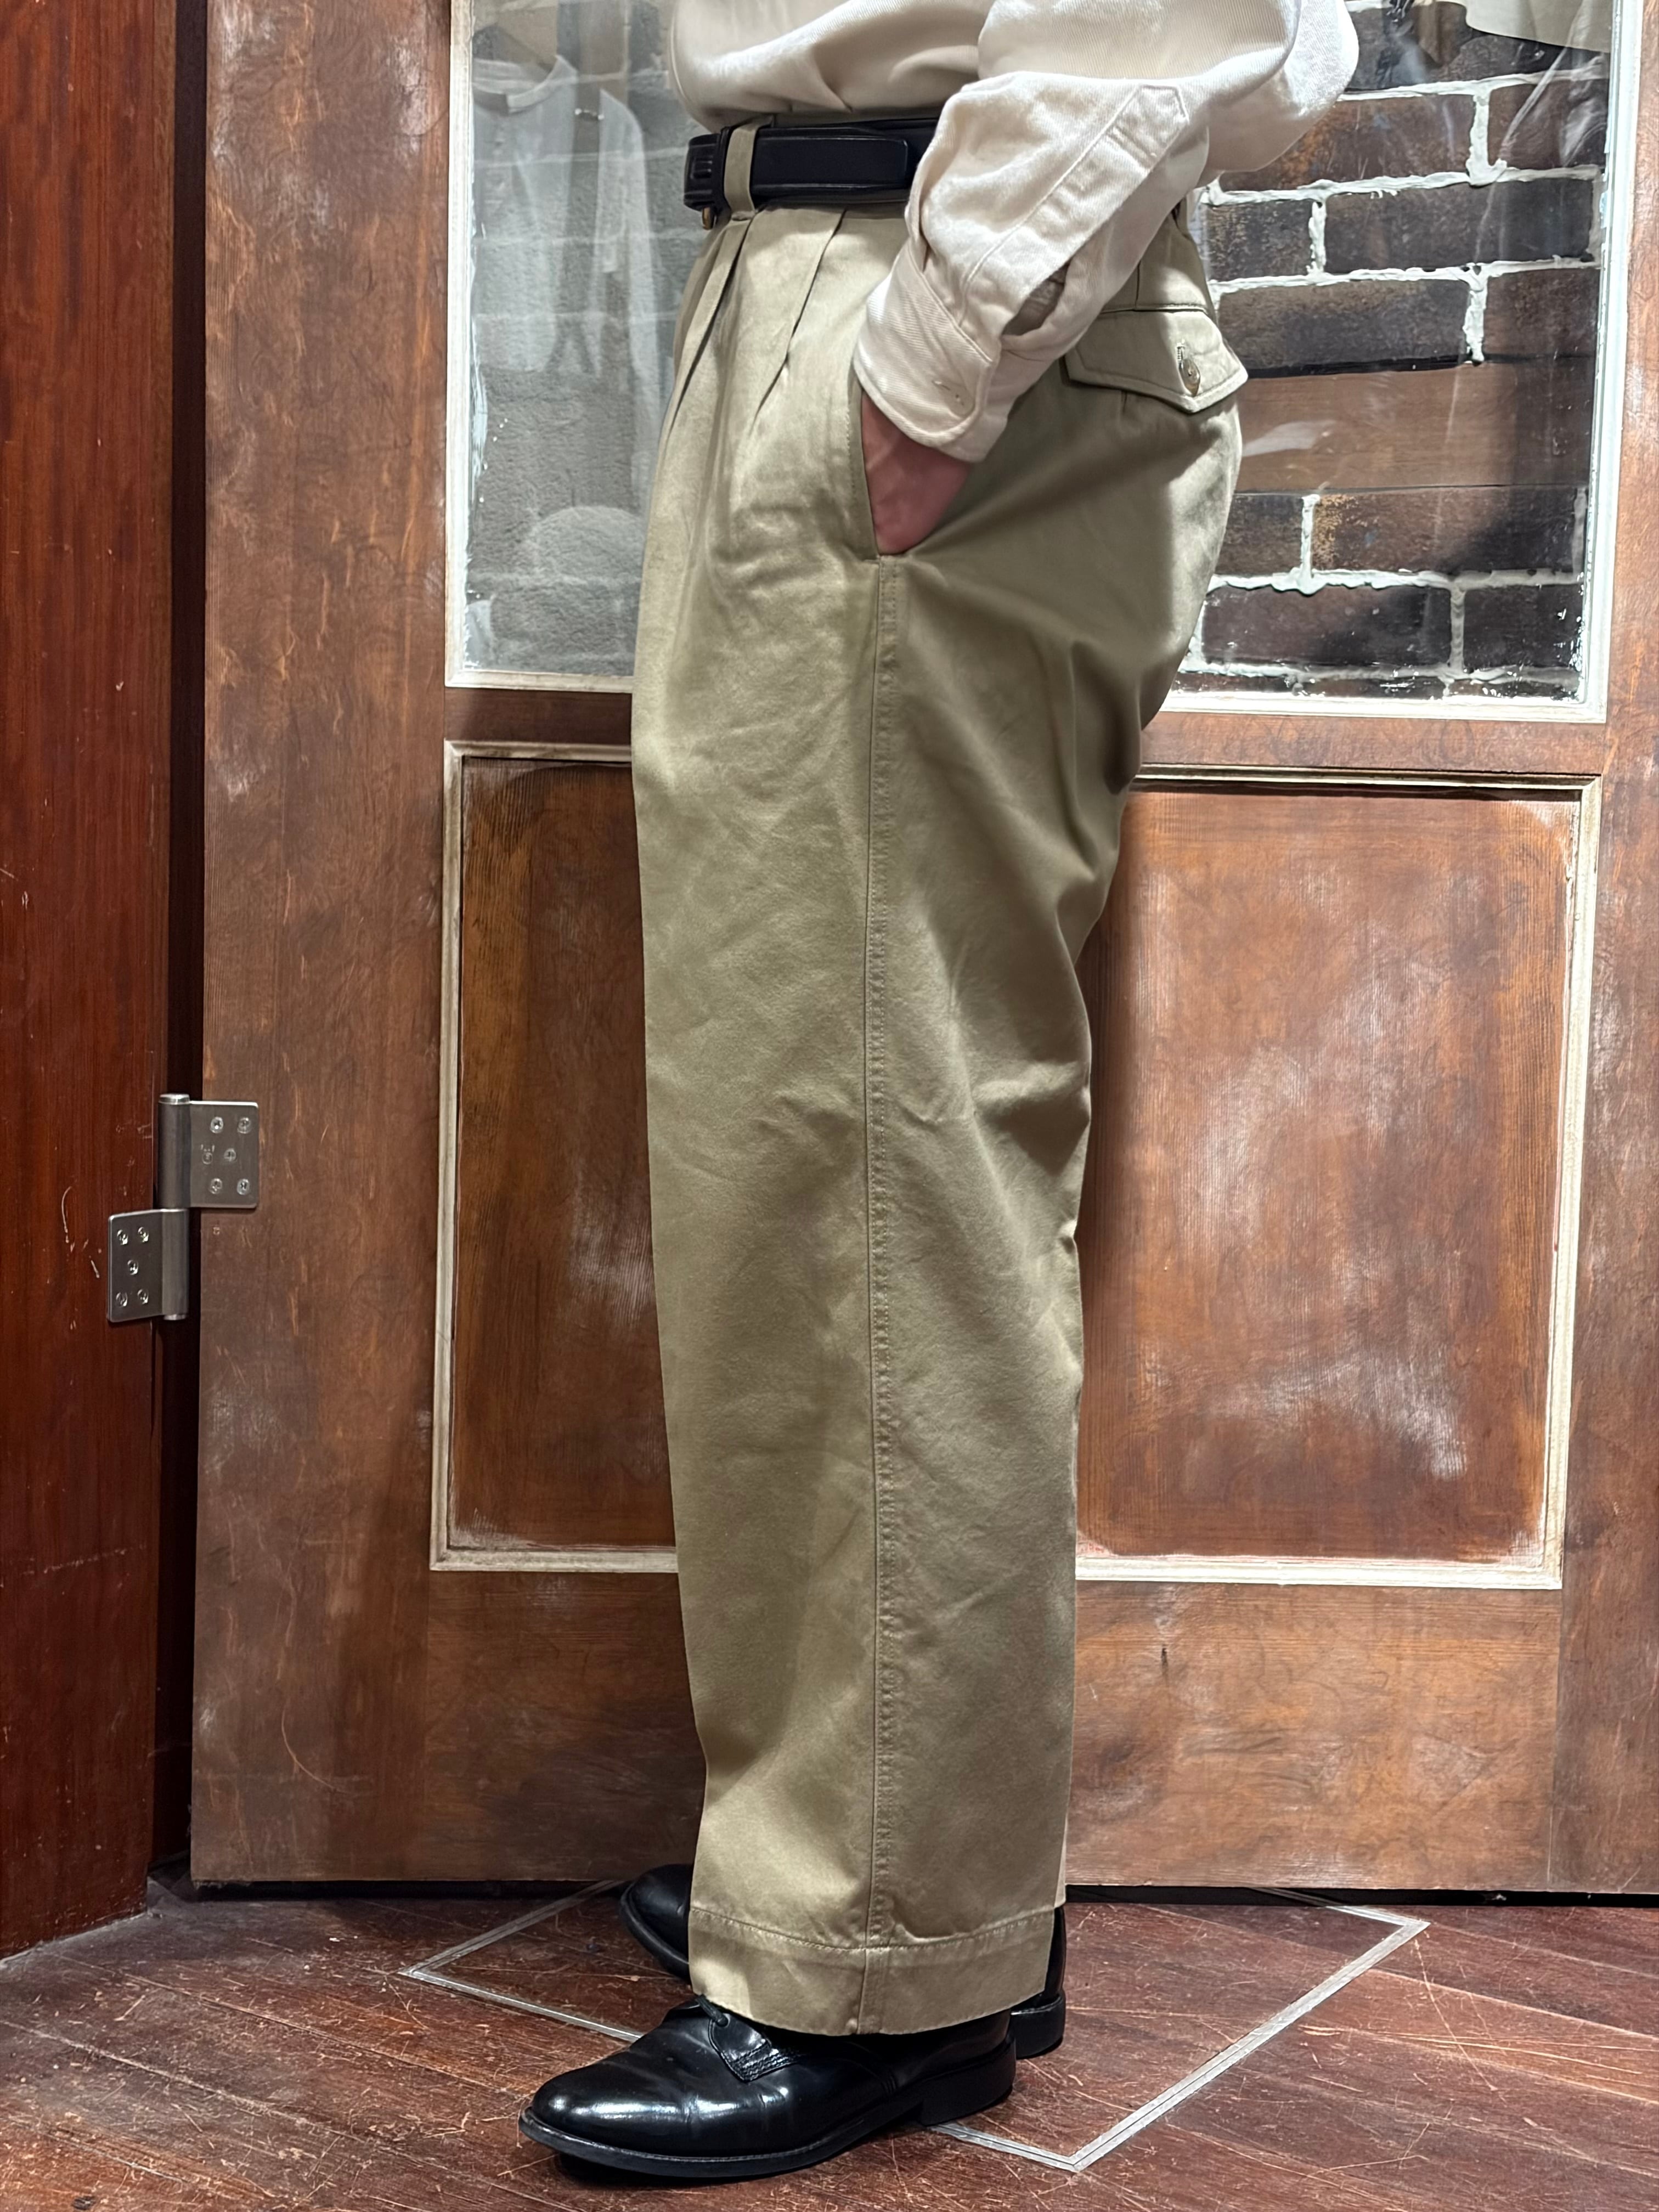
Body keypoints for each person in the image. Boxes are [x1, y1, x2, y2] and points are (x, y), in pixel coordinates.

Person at [521, 0, 1358, 2184]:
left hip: (918, 287)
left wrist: (942, 347)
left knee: (874, 1147)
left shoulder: (938, 328)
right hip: (859, 281)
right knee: (830, 1133)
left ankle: (882, 1958)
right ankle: (897, 1871)